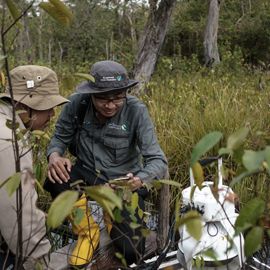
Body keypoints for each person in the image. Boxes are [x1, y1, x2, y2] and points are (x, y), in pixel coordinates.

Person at [44, 60, 168, 268]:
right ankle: (87, 232)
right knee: (55, 176)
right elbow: (59, 139)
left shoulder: (136, 111)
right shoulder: (77, 104)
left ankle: (113, 219)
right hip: (87, 174)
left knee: (132, 250)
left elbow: (157, 159)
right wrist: (55, 156)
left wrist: (138, 180)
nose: (110, 105)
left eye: (118, 98)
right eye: (103, 99)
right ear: (92, 94)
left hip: (123, 184)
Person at [0, 65, 68, 269]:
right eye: (48, 107)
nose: (53, 114)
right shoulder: (10, 142)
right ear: (25, 105)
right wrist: (40, 262)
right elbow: (19, 217)